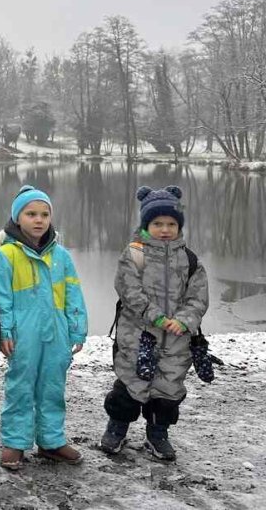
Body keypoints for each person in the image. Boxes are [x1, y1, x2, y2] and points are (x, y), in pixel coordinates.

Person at [100, 186, 209, 462]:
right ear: (146, 224)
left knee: (168, 388)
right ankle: (117, 427)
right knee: (130, 383)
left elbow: (198, 298)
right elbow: (129, 291)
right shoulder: (134, 254)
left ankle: (157, 433)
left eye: (171, 224)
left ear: (179, 226)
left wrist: (184, 321)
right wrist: (156, 316)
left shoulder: (190, 260)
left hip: (176, 340)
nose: (165, 229)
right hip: (138, 335)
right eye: (157, 223)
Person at [0, 185, 88, 471]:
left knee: (53, 387)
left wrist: (77, 329)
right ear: (17, 218)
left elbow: (73, 294)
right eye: (31, 214)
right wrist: (4, 331)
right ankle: (15, 442)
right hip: (23, 335)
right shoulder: (5, 256)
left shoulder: (61, 256)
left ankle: (51, 441)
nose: (38, 220)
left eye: (44, 214)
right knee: (20, 387)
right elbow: (0, 299)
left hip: (56, 333)